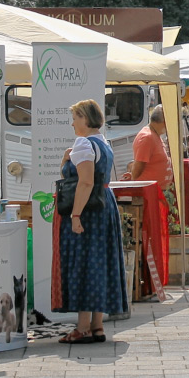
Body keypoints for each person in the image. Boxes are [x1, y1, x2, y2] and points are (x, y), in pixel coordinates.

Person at [54, 99, 126, 344]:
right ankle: (96, 325)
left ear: (85, 118)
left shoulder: (83, 143)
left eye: (75, 118)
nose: (72, 123)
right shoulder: (103, 143)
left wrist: (75, 215)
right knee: (99, 262)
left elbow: (85, 182)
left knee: (85, 263)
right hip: (104, 204)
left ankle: (83, 327)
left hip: (88, 209)